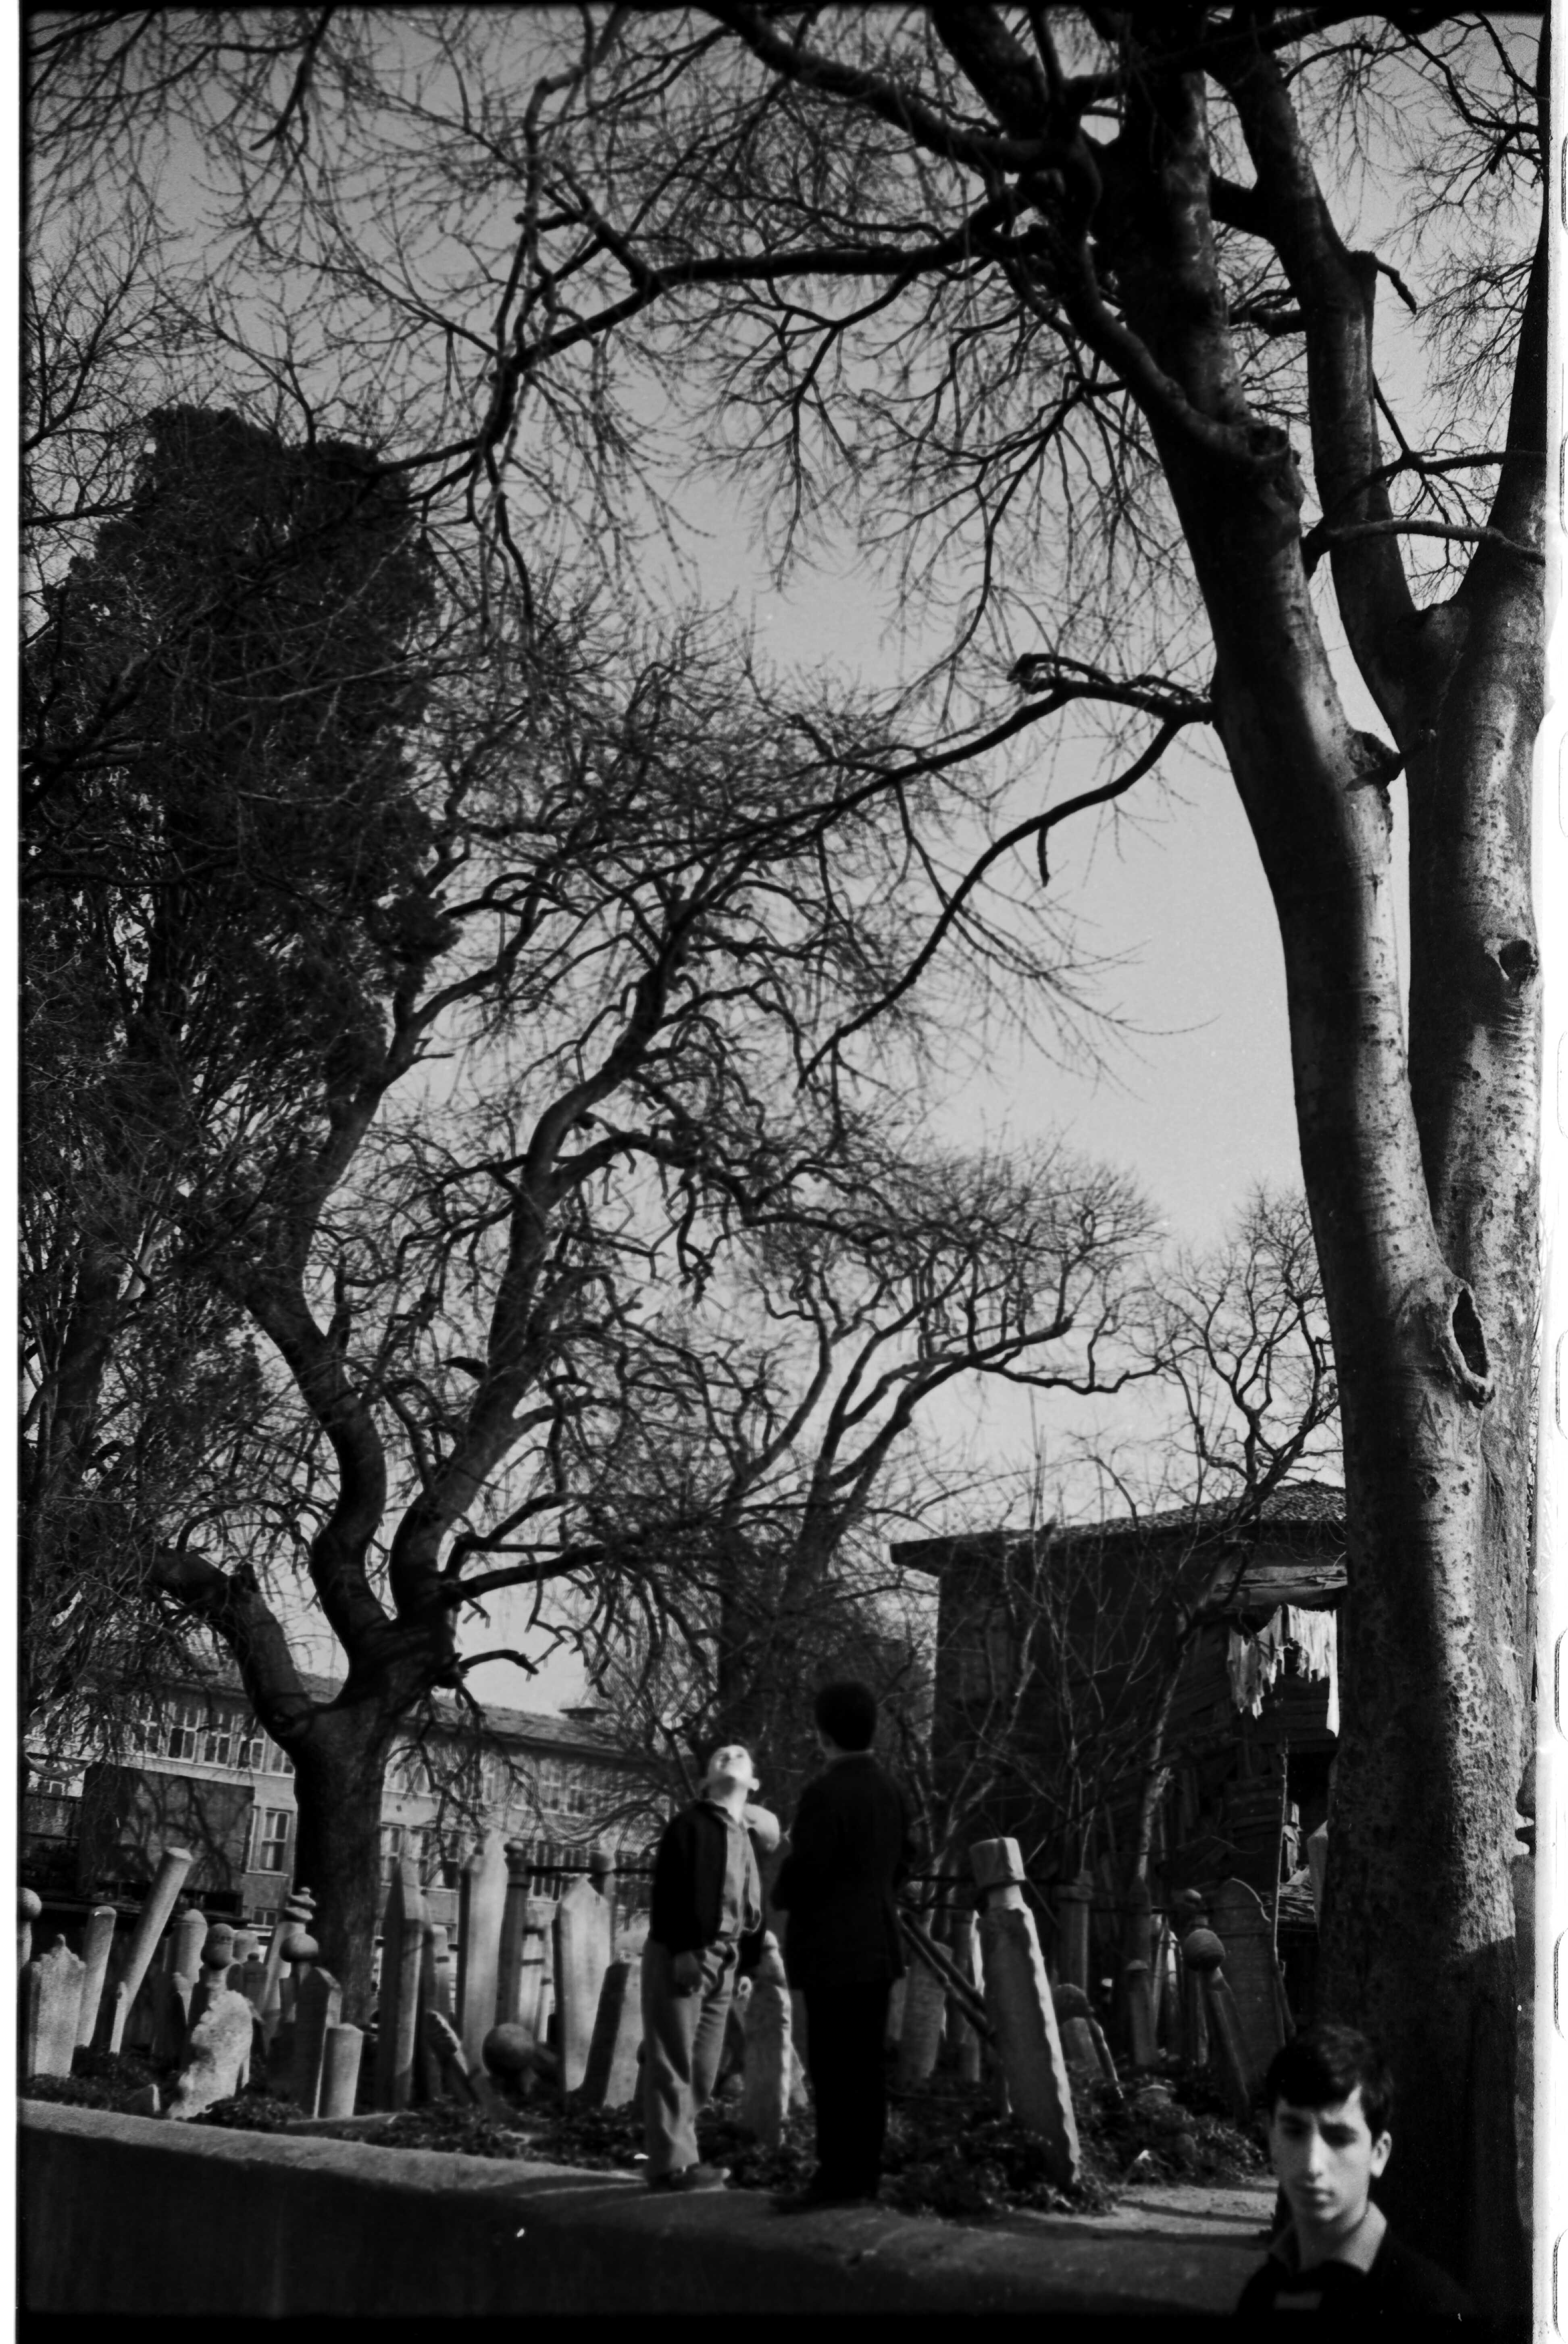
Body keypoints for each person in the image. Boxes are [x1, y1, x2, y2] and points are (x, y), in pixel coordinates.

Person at [771, 1679, 916, 2208]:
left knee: (833, 2067)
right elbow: (907, 1857)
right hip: (878, 1941)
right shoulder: (893, 1790)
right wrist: (878, 1892)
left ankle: (834, 2179)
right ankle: (865, 2178)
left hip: (831, 1946)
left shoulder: (824, 1792)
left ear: (824, 1733)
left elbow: (808, 1867)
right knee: (867, 2067)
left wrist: (782, 1888)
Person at [1236, 2021, 1474, 2317]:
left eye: (1338, 2138)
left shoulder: (1432, 2306)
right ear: (1272, 2140)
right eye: (1295, 2132)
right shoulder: (1260, 2294)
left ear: (1378, 2153)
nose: (1312, 2164)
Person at [640, 1740, 779, 2193]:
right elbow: (669, 1888)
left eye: (740, 1755)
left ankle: (681, 2156)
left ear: (754, 1782)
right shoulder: (690, 1825)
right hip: (686, 1952)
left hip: (727, 1959)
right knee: (673, 2060)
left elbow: (751, 1907)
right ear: (705, 1781)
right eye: (720, 1755)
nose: (729, 1755)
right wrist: (682, 1949)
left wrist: (746, 1969)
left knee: (703, 2067)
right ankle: (671, 2166)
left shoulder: (746, 1838)